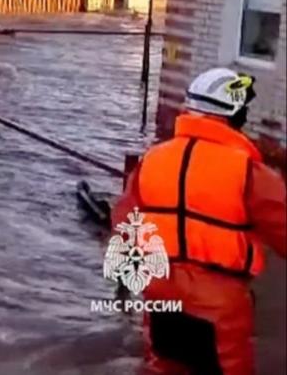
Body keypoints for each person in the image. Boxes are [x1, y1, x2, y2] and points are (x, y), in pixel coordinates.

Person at [112, 68, 286, 375]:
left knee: (163, 368)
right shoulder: (250, 174)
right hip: (219, 306)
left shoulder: (152, 160)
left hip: (160, 293)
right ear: (235, 113)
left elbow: (124, 227)